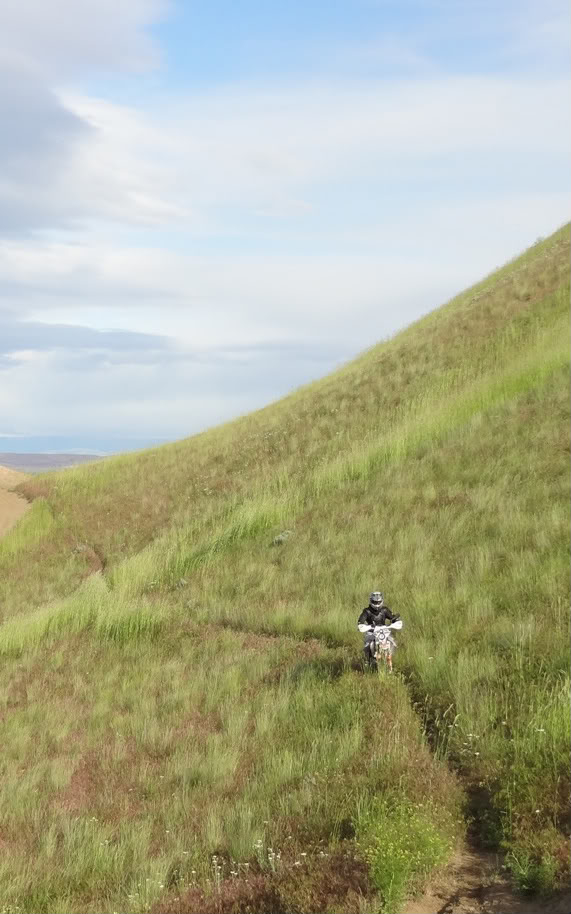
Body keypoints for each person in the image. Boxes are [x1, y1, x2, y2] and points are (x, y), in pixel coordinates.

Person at [357, 591, 400, 670]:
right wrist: (362, 625)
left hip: (384, 631)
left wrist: (395, 621)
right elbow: (361, 621)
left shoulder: (385, 610)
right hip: (371, 632)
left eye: (378, 602)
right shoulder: (367, 611)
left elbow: (392, 617)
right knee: (367, 645)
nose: (377, 604)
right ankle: (367, 661)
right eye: (375, 602)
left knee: (392, 641)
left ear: (382, 601)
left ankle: (390, 658)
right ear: (371, 601)